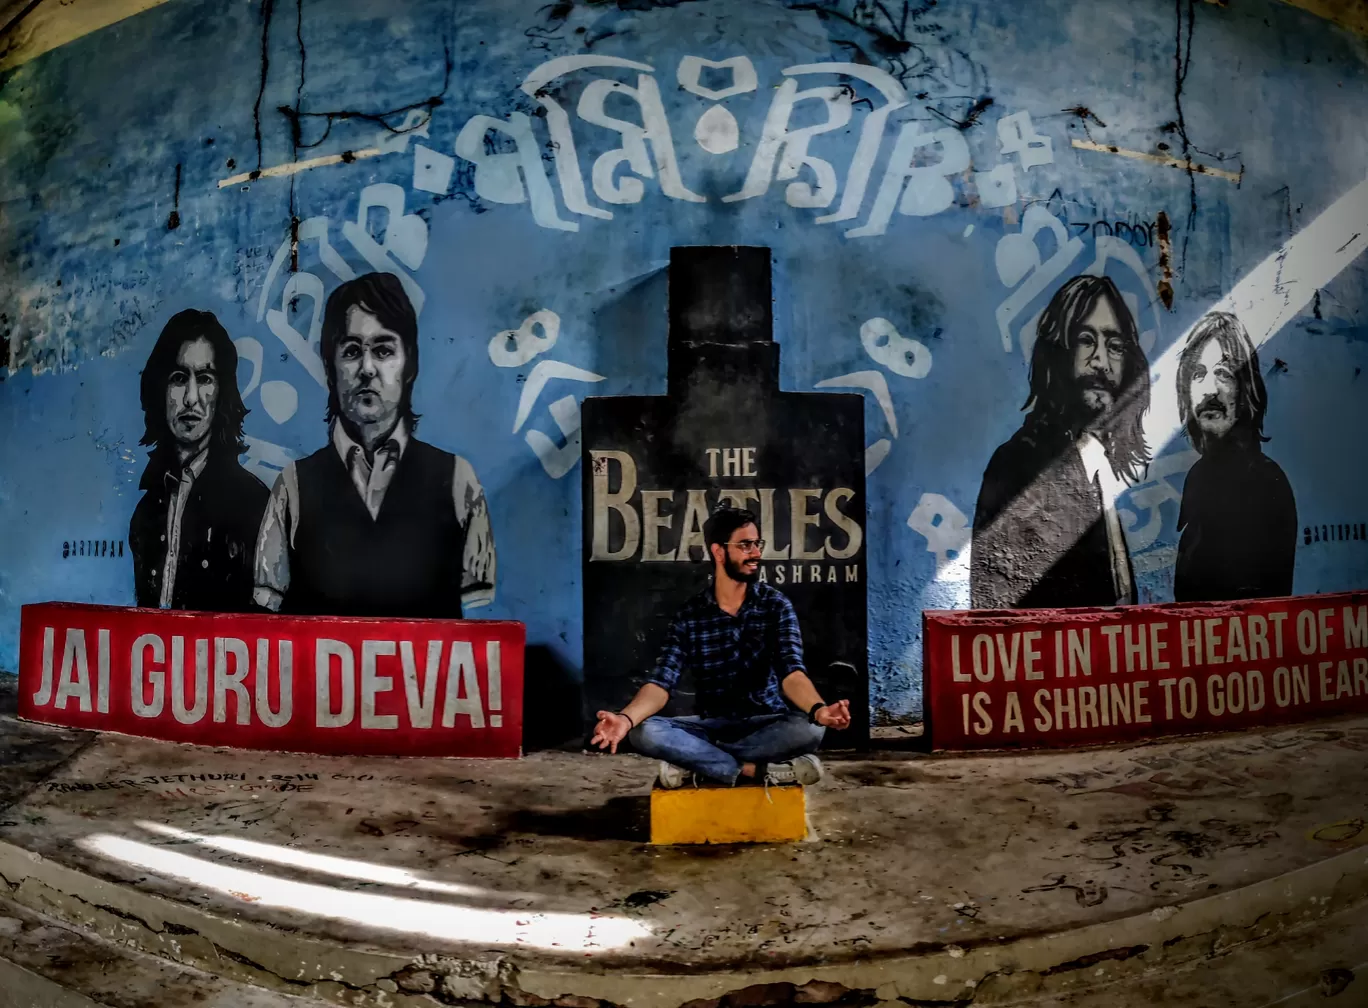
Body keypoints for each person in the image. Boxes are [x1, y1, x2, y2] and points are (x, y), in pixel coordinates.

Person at [253, 272, 495, 617]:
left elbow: (480, 614)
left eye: (383, 350)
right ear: (330, 368)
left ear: (410, 364)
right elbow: (268, 609)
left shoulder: (458, 481)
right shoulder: (293, 488)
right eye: (351, 351)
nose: (367, 368)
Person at [590, 506, 851, 788]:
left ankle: (700, 765)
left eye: (757, 544)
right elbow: (661, 683)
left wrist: (819, 709)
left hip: (764, 723)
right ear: (718, 552)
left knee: (811, 729)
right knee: (643, 732)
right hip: (710, 725)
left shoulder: (775, 606)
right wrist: (625, 720)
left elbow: (792, 673)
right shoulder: (691, 614)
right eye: (745, 545)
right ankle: (751, 770)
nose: (756, 553)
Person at [971, 275, 1151, 609]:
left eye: (1115, 346)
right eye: (1086, 340)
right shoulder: (1017, 465)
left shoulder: (1098, 460)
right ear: (1057, 354)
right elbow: (994, 615)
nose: (1101, 361)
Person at [129, 310, 268, 611]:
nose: (191, 398)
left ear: (222, 393)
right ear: (160, 390)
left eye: (205, 378)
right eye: (178, 378)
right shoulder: (146, 514)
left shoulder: (253, 505)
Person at [1174, 312, 1296, 601]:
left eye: (1224, 373)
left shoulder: (1265, 482)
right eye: (1198, 374)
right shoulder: (1199, 477)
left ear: (1245, 390)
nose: (1210, 389)